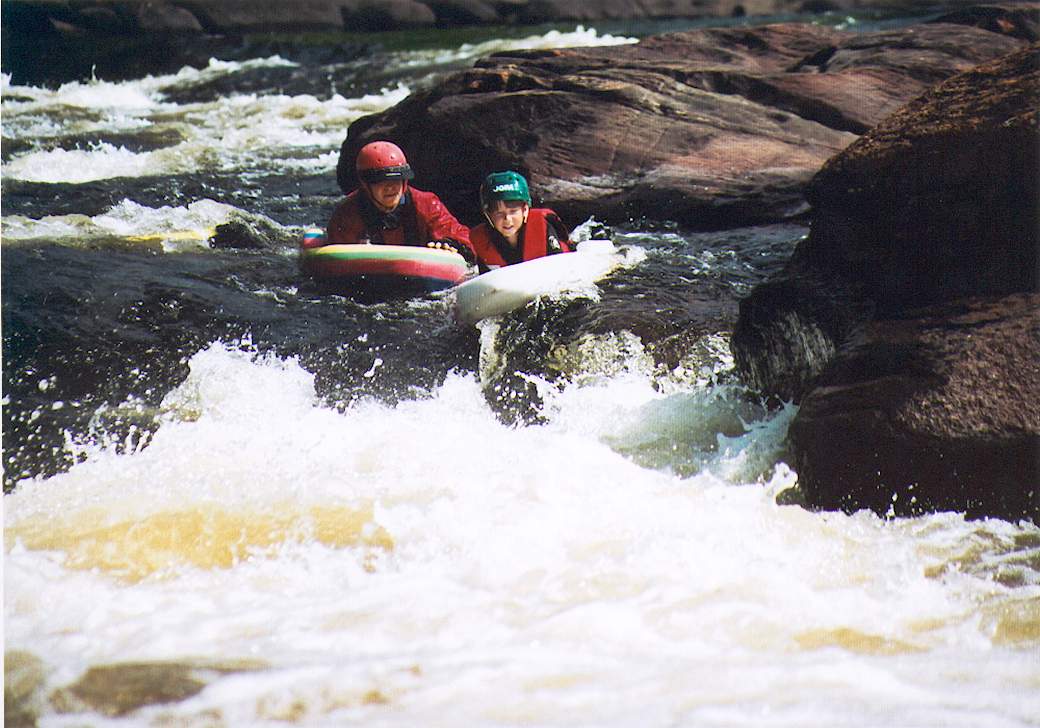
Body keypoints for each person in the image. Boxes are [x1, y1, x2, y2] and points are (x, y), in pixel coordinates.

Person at [312, 140, 474, 261]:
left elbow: (463, 238)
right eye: (381, 181)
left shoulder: (427, 204)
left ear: (404, 182)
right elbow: (337, 263)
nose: (391, 188)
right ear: (365, 184)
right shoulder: (347, 214)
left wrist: (451, 245)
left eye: (397, 180)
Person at [469, 171, 572, 272]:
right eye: (499, 213)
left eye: (513, 211)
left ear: (525, 210)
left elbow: (563, 271)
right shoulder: (482, 241)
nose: (507, 219)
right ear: (488, 215)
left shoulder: (543, 228)